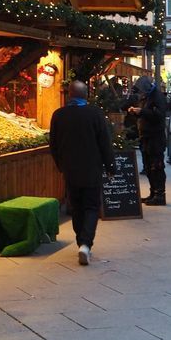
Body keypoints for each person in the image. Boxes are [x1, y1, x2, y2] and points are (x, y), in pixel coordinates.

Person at [50, 80, 117, 265]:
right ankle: (86, 244)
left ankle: (81, 241)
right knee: (91, 206)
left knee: (77, 207)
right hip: (92, 169)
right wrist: (111, 167)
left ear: (69, 94)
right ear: (86, 95)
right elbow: (105, 143)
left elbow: (53, 145)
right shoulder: (95, 114)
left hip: (70, 170)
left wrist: (60, 165)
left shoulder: (59, 115)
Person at [126, 76, 167, 205]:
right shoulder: (146, 96)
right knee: (148, 166)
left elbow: (159, 115)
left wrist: (142, 111)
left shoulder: (157, 96)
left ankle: (159, 194)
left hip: (155, 136)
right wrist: (136, 112)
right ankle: (153, 192)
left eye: (141, 91)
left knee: (156, 166)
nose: (140, 93)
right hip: (146, 135)